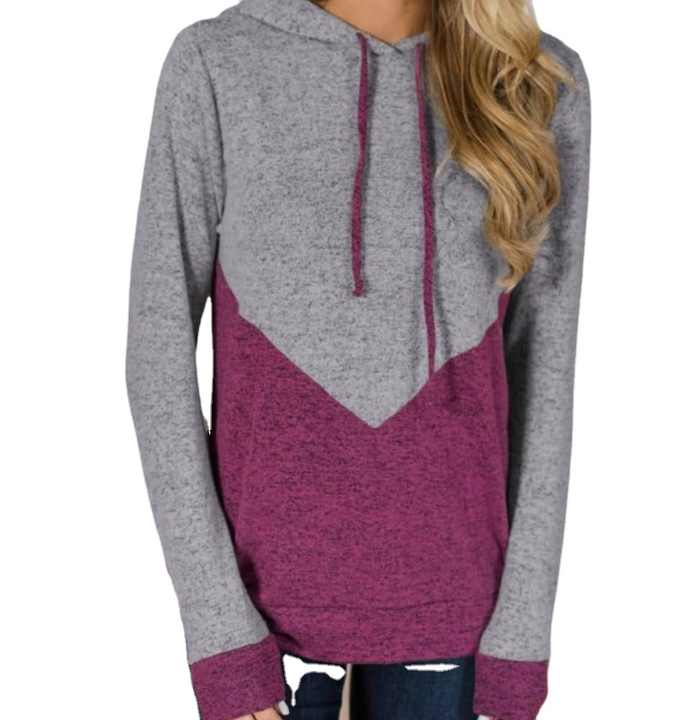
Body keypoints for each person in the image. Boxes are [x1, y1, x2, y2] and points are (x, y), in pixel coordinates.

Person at [125, 0, 591, 718]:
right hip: (267, 627)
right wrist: (218, 629)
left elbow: (546, 371)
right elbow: (156, 353)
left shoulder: (531, 80)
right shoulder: (217, 63)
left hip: (463, 630)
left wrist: (523, 637)